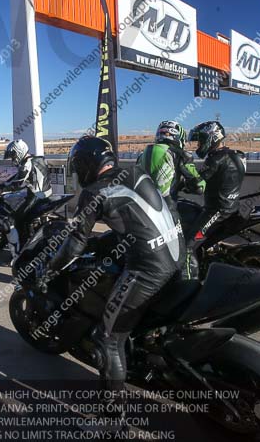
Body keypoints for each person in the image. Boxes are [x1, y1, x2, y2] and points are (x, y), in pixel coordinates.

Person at [44, 136, 184, 428]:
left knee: (106, 339)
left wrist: (48, 271)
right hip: (178, 256)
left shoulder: (95, 191)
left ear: (86, 166)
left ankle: (111, 422)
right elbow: (142, 216)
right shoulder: (137, 171)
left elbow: (74, 245)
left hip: (148, 270)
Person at [185, 121, 246, 249]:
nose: (199, 145)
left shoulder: (215, 159)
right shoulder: (237, 155)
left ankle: (188, 268)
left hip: (216, 211)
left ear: (211, 138)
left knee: (189, 244)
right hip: (233, 207)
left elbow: (198, 183)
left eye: (200, 141)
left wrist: (183, 185)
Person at [0, 139, 51, 246]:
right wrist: (3, 184)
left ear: (19, 152)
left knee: (14, 220)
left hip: (35, 197)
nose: (12, 158)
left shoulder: (27, 164)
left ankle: (20, 250)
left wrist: (1, 190)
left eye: (13, 155)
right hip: (48, 194)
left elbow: (17, 184)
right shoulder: (38, 158)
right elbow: (18, 176)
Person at [137, 120, 205, 202]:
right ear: (179, 136)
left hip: (141, 202)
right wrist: (186, 185)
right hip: (165, 205)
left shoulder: (142, 154)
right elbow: (200, 187)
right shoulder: (180, 155)